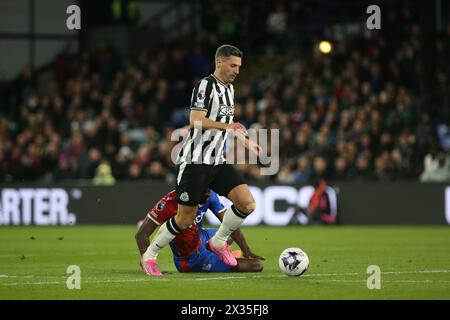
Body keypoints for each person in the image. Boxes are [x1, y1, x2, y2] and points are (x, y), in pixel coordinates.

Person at [140, 44, 262, 275]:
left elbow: (228, 124)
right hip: (195, 162)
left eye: (239, 66)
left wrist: (244, 140)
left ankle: (217, 242)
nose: (237, 71)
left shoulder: (229, 89)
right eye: (233, 65)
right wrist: (228, 126)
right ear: (219, 63)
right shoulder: (205, 85)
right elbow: (196, 120)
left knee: (247, 203)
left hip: (217, 161)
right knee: (184, 219)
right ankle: (150, 256)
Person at [135, 189, 264, 275]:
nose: (208, 194)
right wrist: (147, 263)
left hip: (202, 236)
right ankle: (223, 258)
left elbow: (231, 224)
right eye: (205, 191)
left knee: (229, 235)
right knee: (257, 266)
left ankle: (225, 253)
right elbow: (141, 235)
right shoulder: (169, 203)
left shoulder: (209, 196)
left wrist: (247, 251)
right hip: (191, 259)